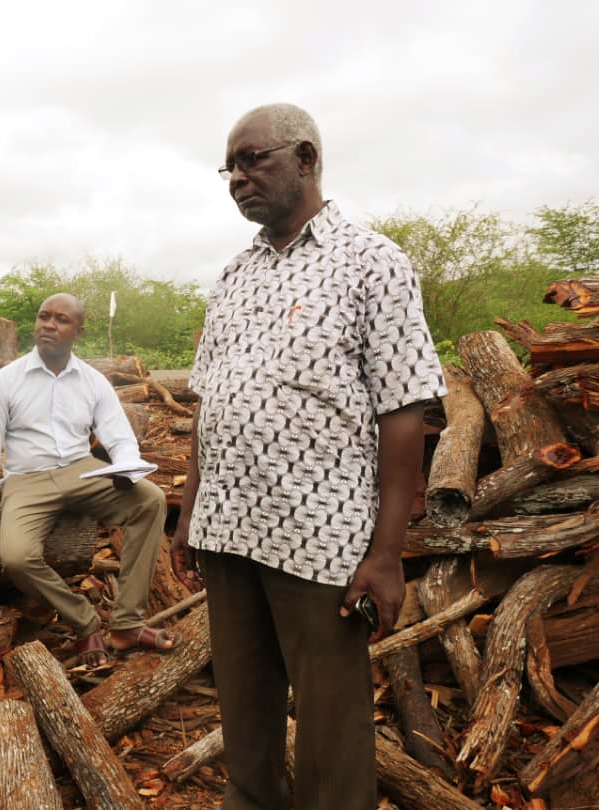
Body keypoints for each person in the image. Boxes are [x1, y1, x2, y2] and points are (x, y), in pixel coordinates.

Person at [171, 104, 446, 810]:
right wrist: (190, 511)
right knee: (244, 709)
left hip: (319, 541)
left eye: (251, 160)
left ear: (305, 159)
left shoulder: (372, 262)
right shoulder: (233, 276)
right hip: (228, 530)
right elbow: (210, 400)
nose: (236, 178)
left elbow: (404, 413)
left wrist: (386, 555)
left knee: (330, 727)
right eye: (228, 167)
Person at [0, 293, 181, 666]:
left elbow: (120, 437)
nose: (49, 325)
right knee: (15, 557)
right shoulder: (6, 381)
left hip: (81, 470)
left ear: (79, 330)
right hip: (26, 480)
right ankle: (84, 621)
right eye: (44, 317)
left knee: (150, 499)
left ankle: (126, 625)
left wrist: (125, 467)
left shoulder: (93, 381)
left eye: (61, 320)